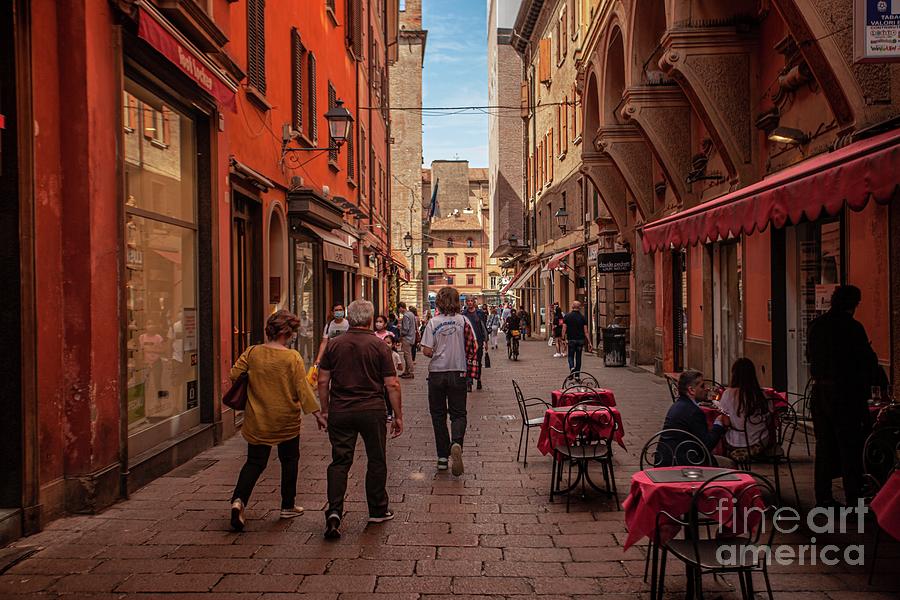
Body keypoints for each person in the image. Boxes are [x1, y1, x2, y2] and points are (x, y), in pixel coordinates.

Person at [229, 310, 327, 532]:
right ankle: (287, 505)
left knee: (254, 462)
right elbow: (302, 389)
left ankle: (238, 500)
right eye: (292, 331)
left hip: (258, 419)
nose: (293, 335)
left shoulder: (252, 352)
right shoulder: (291, 357)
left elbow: (235, 375)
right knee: (289, 460)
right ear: (286, 332)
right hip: (285, 419)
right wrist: (317, 414)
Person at [317, 300, 403, 539]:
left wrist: (325, 409)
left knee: (340, 461)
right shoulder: (379, 347)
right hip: (372, 410)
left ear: (349, 318)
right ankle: (377, 508)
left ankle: (334, 511)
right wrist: (398, 415)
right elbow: (392, 384)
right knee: (376, 458)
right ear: (368, 320)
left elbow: (323, 381)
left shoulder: (334, 345)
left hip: (341, 410)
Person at [806, 285, 880, 507]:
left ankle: (824, 496)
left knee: (824, 445)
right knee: (850, 447)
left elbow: (810, 356)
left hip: (820, 393)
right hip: (846, 394)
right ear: (853, 304)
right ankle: (853, 497)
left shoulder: (816, 325)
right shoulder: (853, 327)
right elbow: (866, 361)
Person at [420, 286, 477, 476]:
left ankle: (443, 457)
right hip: (458, 372)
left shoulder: (433, 322)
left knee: (438, 415)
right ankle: (456, 443)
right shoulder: (463, 321)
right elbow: (473, 346)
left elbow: (427, 350)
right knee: (458, 414)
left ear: (439, 302)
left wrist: (437, 351)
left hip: (437, 373)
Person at [658, 370, 730, 466]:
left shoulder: (678, 405)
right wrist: (718, 423)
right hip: (684, 463)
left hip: (666, 459)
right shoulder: (694, 412)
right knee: (729, 464)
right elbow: (706, 445)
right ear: (691, 390)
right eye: (702, 386)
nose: (706, 389)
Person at [717, 358, 774, 460]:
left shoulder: (728, 394)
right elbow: (770, 419)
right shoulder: (761, 395)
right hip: (760, 441)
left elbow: (726, 422)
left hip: (735, 442)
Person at [462, 297, 488, 391]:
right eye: (468, 301)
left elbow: (483, 327)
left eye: (471, 301)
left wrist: (486, 341)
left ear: (474, 302)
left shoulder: (480, 313)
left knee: (478, 362)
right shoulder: (463, 314)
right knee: (468, 362)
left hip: (479, 341)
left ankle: (479, 379)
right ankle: (469, 382)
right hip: (468, 342)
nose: (469, 303)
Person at [561, 301, 592, 375]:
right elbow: (586, 331)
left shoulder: (567, 316)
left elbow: (564, 328)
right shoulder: (582, 317)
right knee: (578, 358)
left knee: (570, 356)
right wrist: (589, 342)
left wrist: (563, 338)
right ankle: (577, 375)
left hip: (571, 339)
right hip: (580, 340)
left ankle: (572, 368)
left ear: (572, 306)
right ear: (579, 307)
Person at [382, 333, 403, 420]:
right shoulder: (381, 355)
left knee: (390, 396)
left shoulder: (395, 355)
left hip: (393, 379)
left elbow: (400, 367)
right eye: (385, 343)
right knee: (384, 396)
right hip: (383, 379)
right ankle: (386, 412)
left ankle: (391, 413)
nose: (386, 345)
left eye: (389, 343)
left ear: (393, 344)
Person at [397, 302, 417, 379]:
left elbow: (406, 329)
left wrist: (400, 331)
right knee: (406, 355)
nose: (399, 311)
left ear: (401, 307)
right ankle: (406, 371)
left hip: (407, 338)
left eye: (398, 309)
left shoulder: (405, 315)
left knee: (407, 356)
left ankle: (411, 372)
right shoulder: (411, 314)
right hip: (412, 337)